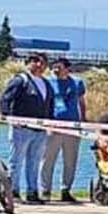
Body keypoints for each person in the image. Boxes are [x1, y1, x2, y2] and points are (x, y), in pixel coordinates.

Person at [0, 52, 55, 204]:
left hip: (40, 129)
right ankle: (14, 192)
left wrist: (49, 123)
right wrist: (8, 116)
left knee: (35, 161)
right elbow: (5, 98)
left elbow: (50, 105)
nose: (39, 65)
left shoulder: (46, 83)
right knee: (16, 160)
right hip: (21, 128)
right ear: (29, 63)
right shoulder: (20, 80)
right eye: (35, 61)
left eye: (42, 62)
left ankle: (32, 191)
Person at [42, 56, 87, 204]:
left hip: (72, 125)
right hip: (53, 125)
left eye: (59, 67)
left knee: (70, 160)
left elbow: (81, 102)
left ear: (67, 68)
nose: (56, 70)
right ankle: (45, 190)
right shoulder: (48, 82)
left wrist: (83, 120)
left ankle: (65, 189)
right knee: (48, 159)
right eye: (54, 67)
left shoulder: (77, 83)